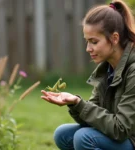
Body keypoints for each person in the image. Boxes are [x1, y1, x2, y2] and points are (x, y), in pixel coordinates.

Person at [41, 0, 135, 149]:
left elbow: (120, 129)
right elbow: (92, 119)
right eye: (87, 41)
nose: (88, 48)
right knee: (62, 134)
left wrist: (80, 104)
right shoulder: (106, 69)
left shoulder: (133, 71)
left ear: (115, 38)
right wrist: (75, 103)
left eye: (94, 42)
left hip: (130, 139)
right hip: (119, 137)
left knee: (84, 138)